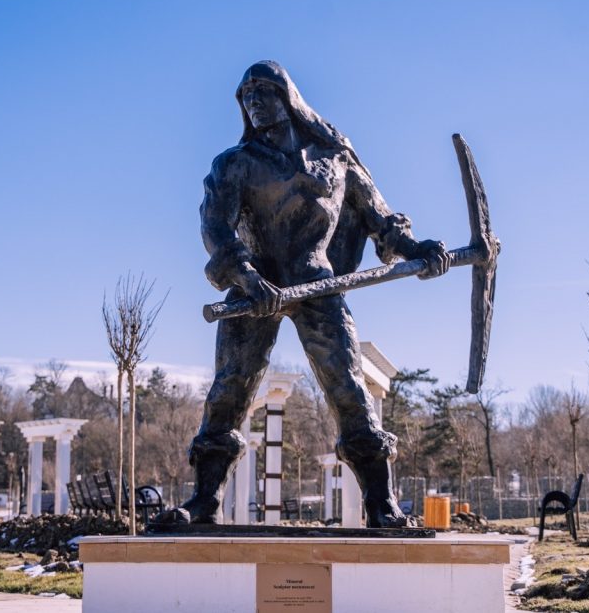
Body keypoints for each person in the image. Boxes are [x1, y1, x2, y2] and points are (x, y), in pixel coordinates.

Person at [169, 61, 450, 527]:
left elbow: (380, 218)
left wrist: (417, 250)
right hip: (255, 287)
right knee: (230, 388)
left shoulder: (336, 158)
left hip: (317, 283)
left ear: (288, 97)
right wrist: (245, 275)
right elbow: (215, 226)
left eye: (262, 92)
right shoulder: (234, 164)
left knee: (348, 386)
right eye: (246, 96)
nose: (253, 103)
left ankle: (380, 502)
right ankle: (203, 500)